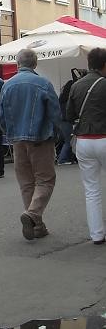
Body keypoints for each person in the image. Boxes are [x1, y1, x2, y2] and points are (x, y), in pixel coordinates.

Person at [0, 48, 62, 241]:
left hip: (17, 140)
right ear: (35, 64)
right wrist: (57, 133)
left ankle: (37, 226)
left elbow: (1, 117)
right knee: (45, 180)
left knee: (26, 183)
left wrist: (8, 133)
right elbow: (55, 113)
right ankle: (33, 214)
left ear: (18, 64)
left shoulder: (7, 85)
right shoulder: (43, 83)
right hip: (40, 138)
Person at [66, 48, 106, 246]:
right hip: (104, 138)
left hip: (83, 141)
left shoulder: (77, 85)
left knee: (92, 190)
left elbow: (69, 114)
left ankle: (97, 234)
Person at [57, 71, 82, 164]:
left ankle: (66, 158)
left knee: (67, 141)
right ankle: (62, 159)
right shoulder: (68, 102)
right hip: (66, 122)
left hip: (61, 122)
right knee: (69, 141)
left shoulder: (61, 100)